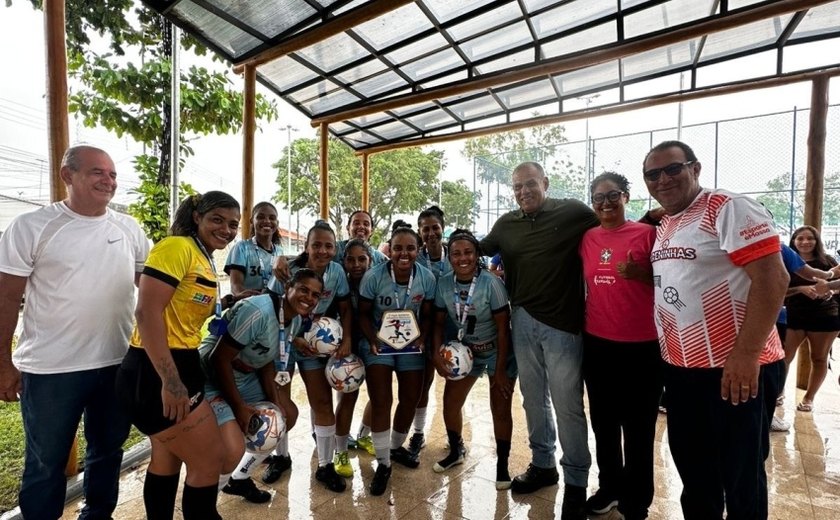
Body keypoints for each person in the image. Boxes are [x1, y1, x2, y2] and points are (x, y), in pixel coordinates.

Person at [0, 145, 149, 520]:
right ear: (68, 175)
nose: (108, 181)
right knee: (46, 463)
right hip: (51, 370)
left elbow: (150, 292)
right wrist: (3, 362)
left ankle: (97, 516)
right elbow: (6, 298)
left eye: (113, 174)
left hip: (116, 363)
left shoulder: (128, 228)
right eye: (98, 172)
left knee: (107, 452)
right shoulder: (32, 227)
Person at [643, 140, 788, 519]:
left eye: (673, 168)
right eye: (653, 174)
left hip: (734, 370)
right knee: (695, 471)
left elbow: (773, 279)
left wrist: (745, 354)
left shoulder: (727, 207)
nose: (663, 179)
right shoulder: (667, 223)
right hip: (683, 371)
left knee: (740, 476)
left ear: (696, 168)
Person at [479, 161, 598, 518]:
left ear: (545, 183)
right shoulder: (507, 224)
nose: (523, 191)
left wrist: (654, 215)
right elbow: (477, 248)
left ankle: (576, 480)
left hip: (563, 325)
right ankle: (543, 463)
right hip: (523, 321)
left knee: (567, 405)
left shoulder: (574, 211)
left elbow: (611, 225)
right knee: (533, 400)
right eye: (517, 187)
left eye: (530, 184)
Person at [116, 191, 241, 520]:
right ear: (197, 217)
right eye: (217, 220)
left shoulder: (202, 256)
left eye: (233, 225)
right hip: (156, 368)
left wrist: (227, 304)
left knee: (167, 457)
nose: (226, 230)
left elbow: (183, 305)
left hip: (176, 363)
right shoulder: (177, 247)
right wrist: (170, 381)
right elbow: (147, 312)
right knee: (209, 460)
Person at [200, 269, 323, 503]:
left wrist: (275, 402)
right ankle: (202, 505)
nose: (309, 298)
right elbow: (219, 359)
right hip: (212, 376)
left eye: (315, 295)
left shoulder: (294, 319)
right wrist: (238, 406)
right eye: (303, 290)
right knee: (232, 446)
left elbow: (266, 360)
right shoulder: (258, 311)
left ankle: (239, 478)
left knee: (286, 416)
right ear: (288, 288)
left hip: (244, 375)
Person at [579, 172, 661, 520]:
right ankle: (609, 487)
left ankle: (637, 500)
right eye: (598, 197)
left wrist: (642, 275)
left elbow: (675, 282)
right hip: (598, 346)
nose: (606, 203)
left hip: (642, 347)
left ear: (626, 197)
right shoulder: (587, 238)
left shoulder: (649, 235)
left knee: (639, 428)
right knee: (604, 424)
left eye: (613, 195)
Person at [264, 221, 353, 491]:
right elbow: (271, 305)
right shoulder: (286, 270)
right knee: (280, 402)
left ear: (335, 248)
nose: (323, 251)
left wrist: (346, 338)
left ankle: (325, 466)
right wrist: (295, 338)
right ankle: (281, 457)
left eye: (328, 245)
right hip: (283, 343)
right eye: (317, 245)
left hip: (315, 347)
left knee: (323, 402)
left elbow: (346, 307)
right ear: (307, 246)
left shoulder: (337, 272)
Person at [431, 229, 516, 490]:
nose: (462, 258)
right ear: (449, 257)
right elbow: (437, 323)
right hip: (465, 352)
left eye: (468, 252)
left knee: (500, 408)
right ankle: (457, 451)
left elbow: (503, 329)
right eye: (456, 253)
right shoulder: (444, 284)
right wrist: (436, 354)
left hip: (497, 351)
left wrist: (500, 370)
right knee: (450, 404)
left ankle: (502, 465)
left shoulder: (491, 283)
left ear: (477, 254)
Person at [358, 225, 436, 496]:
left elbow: (427, 314)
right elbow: (364, 313)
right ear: (389, 249)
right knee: (382, 400)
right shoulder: (374, 276)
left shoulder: (425, 278)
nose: (404, 253)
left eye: (410, 248)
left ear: (418, 250)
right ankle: (383, 464)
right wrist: (371, 339)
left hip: (410, 344)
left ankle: (393, 448)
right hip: (380, 344)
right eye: (398, 248)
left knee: (410, 398)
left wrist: (422, 337)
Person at [409, 205, 454, 456]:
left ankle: (453, 435)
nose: (430, 233)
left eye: (435, 228)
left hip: (453, 330)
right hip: (424, 330)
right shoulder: (415, 257)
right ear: (419, 232)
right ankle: (418, 434)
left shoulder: (455, 255)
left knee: (454, 385)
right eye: (425, 229)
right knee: (423, 385)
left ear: (442, 228)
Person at [782, 225, 840, 413]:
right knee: (784, 357)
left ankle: (809, 398)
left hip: (825, 316)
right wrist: (801, 289)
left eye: (810, 238)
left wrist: (830, 289)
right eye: (800, 238)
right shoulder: (785, 261)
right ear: (793, 241)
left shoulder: (827, 261)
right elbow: (777, 290)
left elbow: (835, 286)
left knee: (819, 358)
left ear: (817, 241)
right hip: (794, 315)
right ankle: (778, 391)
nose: (805, 242)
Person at [333, 238, 375, 473]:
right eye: (351, 259)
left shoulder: (378, 281)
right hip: (347, 348)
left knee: (378, 394)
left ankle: (363, 435)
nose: (357, 264)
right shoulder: (340, 285)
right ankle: (340, 452)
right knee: (348, 398)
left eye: (362, 259)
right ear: (344, 261)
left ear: (370, 260)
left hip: (371, 346)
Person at [225, 201, 283, 298]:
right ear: (252, 220)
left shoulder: (280, 252)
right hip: (248, 305)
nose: (267, 221)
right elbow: (236, 286)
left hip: (273, 306)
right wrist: (254, 300)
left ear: (277, 223)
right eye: (260, 217)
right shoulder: (241, 248)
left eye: (272, 218)